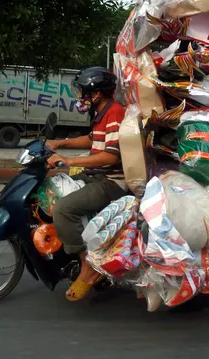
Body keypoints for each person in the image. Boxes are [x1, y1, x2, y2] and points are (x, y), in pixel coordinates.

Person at [46, 67, 128, 301]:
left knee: (63, 208)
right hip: (96, 174)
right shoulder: (102, 112)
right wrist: (61, 143)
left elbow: (111, 156)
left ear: (97, 93)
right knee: (53, 185)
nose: (81, 97)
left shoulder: (114, 113)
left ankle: (87, 264)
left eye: (84, 92)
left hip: (111, 181)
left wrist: (70, 160)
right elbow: (92, 139)